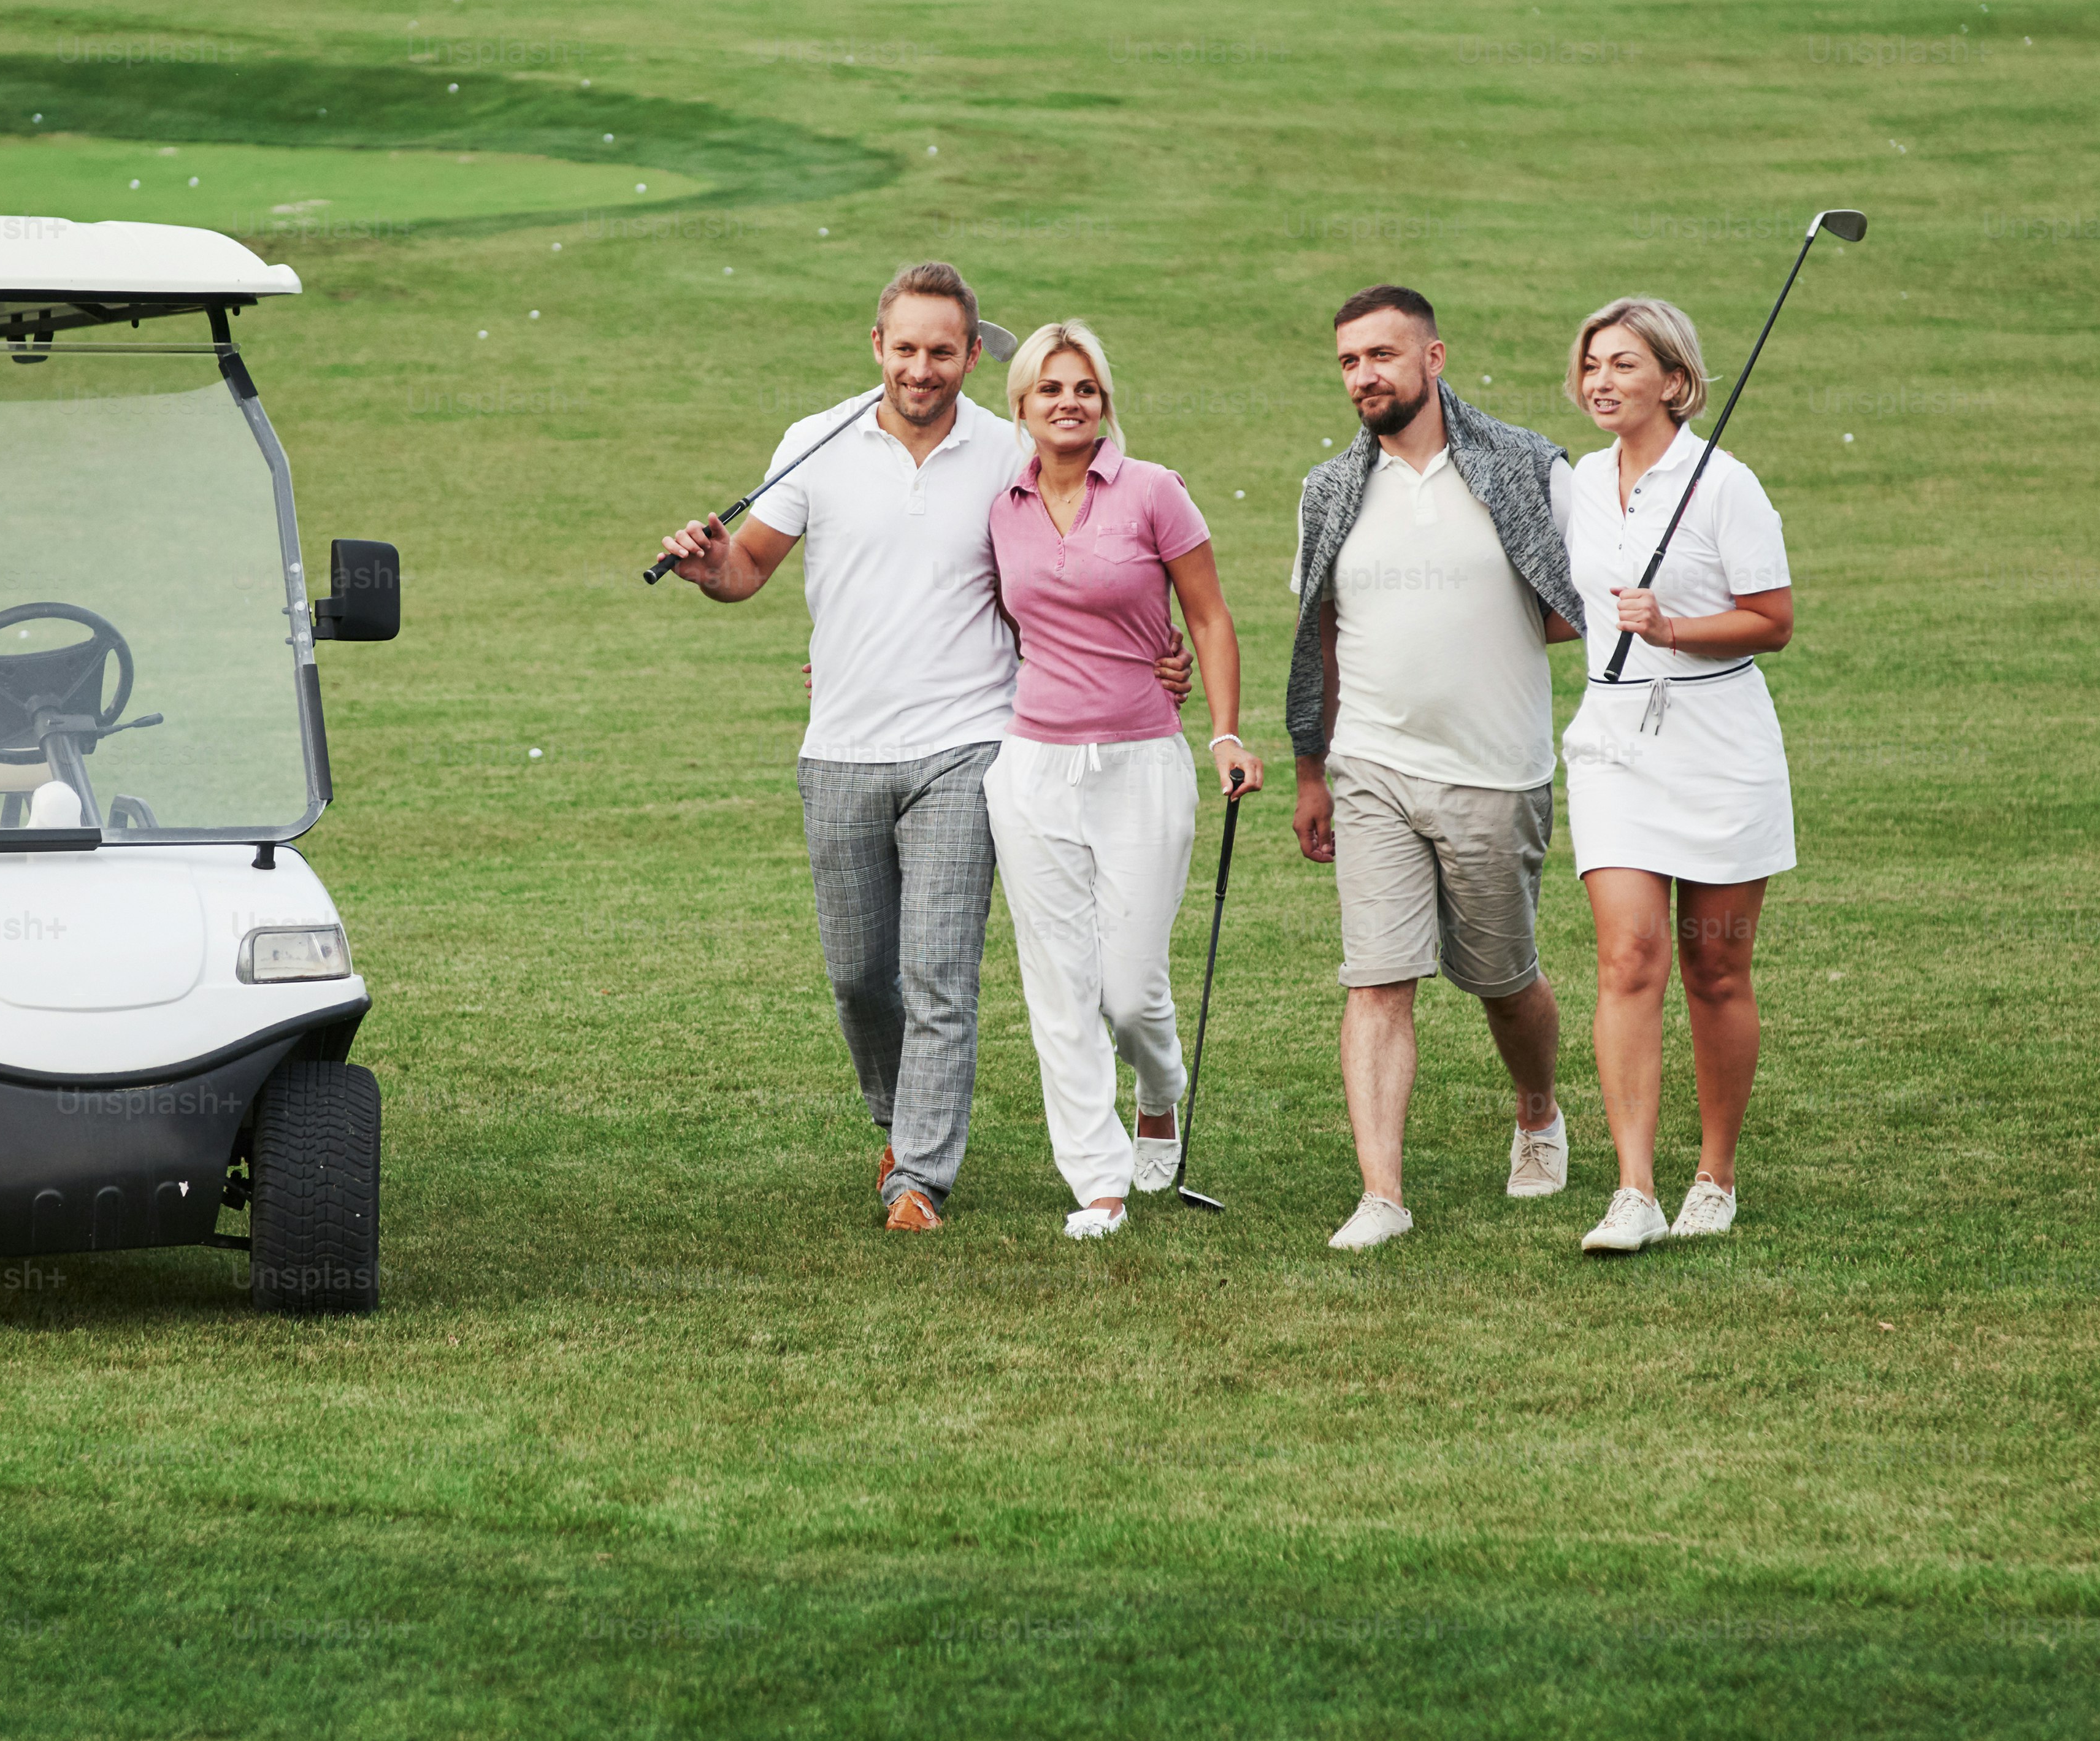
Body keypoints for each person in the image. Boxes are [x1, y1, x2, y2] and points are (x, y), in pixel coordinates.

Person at [657, 263, 1019, 1233]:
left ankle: (921, 1177)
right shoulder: (814, 443)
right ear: (877, 347)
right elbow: (746, 572)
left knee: (941, 967)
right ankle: (897, 1124)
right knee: (862, 975)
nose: (922, 368)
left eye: (943, 350)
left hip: (967, 746)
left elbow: (1062, 580)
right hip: (843, 749)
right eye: (905, 348)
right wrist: (705, 568)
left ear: (972, 355)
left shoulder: (1010, 450)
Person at [1285, 286, 1587, 1255]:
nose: (1365, 376)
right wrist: (1311, 769)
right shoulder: (1330, 490)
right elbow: (1315, 637)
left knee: (1502, 979)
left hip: (1497, 770)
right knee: (1377, 979)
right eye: (1348, 363)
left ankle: (1537, 1109)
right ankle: (1383, 1195)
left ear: (1435, 358)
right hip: (1371, 764)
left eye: (1382, 356)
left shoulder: (1528, 465)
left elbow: (1576, 604)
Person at [979, 324, 1262, 1242]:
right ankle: (1098, 1181)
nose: (1070, 403)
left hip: (1143, 762)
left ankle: (1160, 1089)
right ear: (1020, 406)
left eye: (1087, 389)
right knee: (1060, 985)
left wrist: (1219, 729)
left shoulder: (1154, 492)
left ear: (1106, 402)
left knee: (1130, 987)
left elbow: (1210, 620)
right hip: (1032, 768)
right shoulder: (998, 504)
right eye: (1051, 388)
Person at [1554, 297, 1797, 1255]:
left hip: (1720, 744)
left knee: (1715, 965)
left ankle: (1716, 1176)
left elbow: (1773, 620)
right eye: (1591, 367)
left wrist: (1674, 630)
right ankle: (1634, 1190)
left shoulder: (1727, 483)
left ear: (1674, 379)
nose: (1601, 382)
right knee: (1627, 958)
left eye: (1622, 365)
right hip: (1614, 742)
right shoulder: (1578, 481)